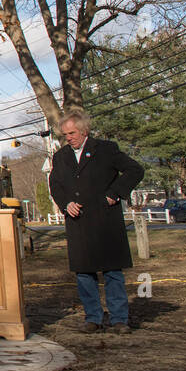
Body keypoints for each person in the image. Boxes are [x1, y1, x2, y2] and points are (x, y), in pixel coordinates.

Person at [49, 109, 145, 334]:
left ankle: (119, 319)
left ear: (84, 131)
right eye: (65, 135)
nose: (68, 138)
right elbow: (55, 185)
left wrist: (115, 193)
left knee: (112, 272)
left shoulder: (106, 150)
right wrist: (65, 204)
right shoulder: (61, 156)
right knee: (84, 274)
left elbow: (135, 170)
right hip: (78, 223)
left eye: (72, 133)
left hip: (105, 221)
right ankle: (93, 317)